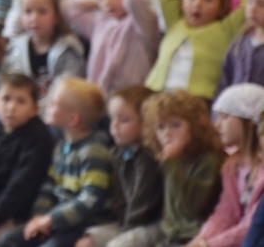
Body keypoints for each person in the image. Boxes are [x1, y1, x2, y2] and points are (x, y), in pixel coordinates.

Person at [0, 77, 115, 247]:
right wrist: (39, 215)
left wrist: (51, 219)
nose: (46, 104)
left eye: (53, 103)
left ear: (73, 119)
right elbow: (50, 184)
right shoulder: (61, 147)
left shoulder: (93, 152)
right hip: (57, 220)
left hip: (82, 223)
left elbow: (91, 199)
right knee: (7, 240)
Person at [0, 73, 56, 247]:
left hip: (18, 215)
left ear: (34, 109)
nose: (11, 107)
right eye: (6, 99)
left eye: (21, 101)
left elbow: (20, 186)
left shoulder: (37, 139)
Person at [76, 86, 163, 247]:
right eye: (112, 119)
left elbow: (142, 205)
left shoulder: (148, 156)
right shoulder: (118, 152)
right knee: (85, 243)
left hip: (152, 224)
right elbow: (118, 198)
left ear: (146, 122)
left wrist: (125, 232)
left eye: (123, 120)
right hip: (126, 222)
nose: (114, 126)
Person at [141, 89, 224, 245]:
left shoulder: (208, 160)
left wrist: (173, 164)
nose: (167, 134)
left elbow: (192, 207)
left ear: (195, 126)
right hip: (168, 232)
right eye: (160, 127)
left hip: (193, 234)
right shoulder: (169, 158)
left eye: (175, 125)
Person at [145, 0, 246, 101]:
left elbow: (247, 3)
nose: (197, 4)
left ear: (221, 8)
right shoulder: (175, 22)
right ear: (181, 2)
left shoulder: (226, 29)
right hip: (156, 93)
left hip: (196, 99)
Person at [63, 0, 159, 94]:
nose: (107, 1)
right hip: (100, 98)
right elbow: (67, 8)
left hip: (132, 98)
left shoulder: (141, 22)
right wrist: (98, 4)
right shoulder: (99, 23)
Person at [192, 83, 264, 247]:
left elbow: (253, 226)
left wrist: (210, 245)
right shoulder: (232, 166)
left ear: (250, 121)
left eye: (225, 117)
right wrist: (201, 240)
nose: (217, 125)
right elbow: (225, 213)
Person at [1, 0, 86, 106]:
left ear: (56, 16)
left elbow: (68, 92)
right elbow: (5, 84)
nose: (34, 18)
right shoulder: (15, 48)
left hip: (57, 112)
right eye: (28, 12)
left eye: (42, 12)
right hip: (20, 111)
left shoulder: (69, 50)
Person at [218, 0, 264, 100]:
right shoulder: (238, 45)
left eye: (261, 4)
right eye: (249, 1)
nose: (252, 8)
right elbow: (225, 82)